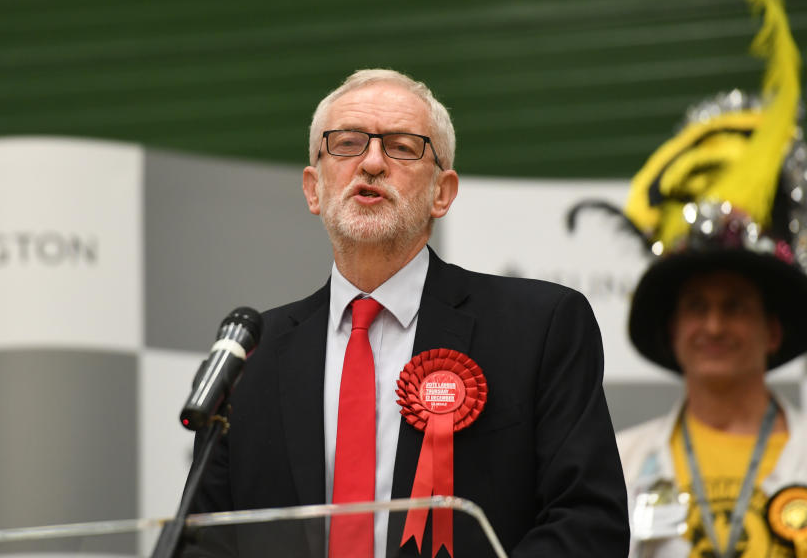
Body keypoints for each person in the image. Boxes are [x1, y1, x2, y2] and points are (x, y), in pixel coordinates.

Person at [188, 68, 629, 558]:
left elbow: (589, 524)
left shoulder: (540, 327)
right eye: (347, 143)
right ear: (313, 189)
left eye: (401, 146)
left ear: (442, 193)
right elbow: (203, 542)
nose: (372, 162)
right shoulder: (255, 354)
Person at [572, 0, 807, 558]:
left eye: (735, 306)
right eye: (696, 307)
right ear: (671, 329)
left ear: (773, 328)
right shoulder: (617, 465)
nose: (713, 324)